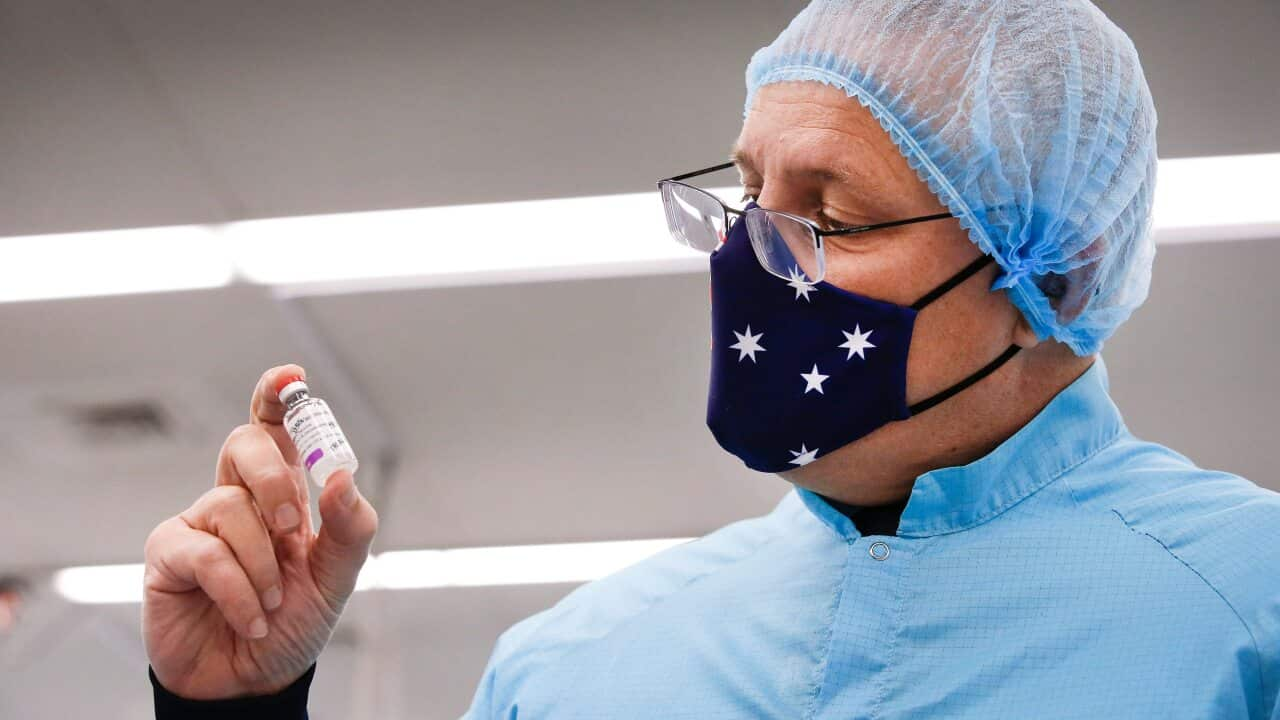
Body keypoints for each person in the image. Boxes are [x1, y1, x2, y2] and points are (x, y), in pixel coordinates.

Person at [144, 1, 1280, 717]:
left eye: (827, 216)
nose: (749, 258)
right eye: (744, 199)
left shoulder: (1246, 609)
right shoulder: (570, 670)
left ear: (1054, 279)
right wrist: (235, 711)